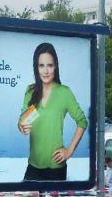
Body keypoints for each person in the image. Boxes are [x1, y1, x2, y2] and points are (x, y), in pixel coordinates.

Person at [18, 42, 87, 181]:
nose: (46, 71)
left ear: (55, 66)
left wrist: (69, 150)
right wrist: (21, 127)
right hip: (33, 166)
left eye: (49, 65)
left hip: (56, 169)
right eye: (41, 65)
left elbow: (82, 122)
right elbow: (23, 120)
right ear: (36, 67)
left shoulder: (64, 93)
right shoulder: (30, 91)